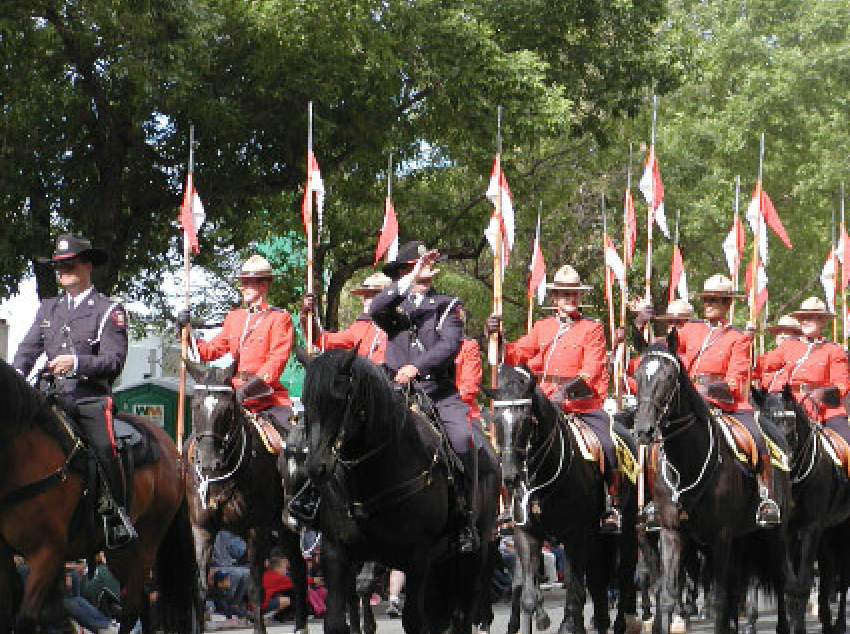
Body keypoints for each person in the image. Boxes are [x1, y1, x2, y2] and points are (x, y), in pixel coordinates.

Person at [13, 234, 135, 548]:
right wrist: (14, 380)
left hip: (89, 398)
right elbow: (27, 352)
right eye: (58, 266)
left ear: (87, 265)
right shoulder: (48, 309)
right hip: (49, 396)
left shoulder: (109, 310)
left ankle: (115, 517)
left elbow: (114, 360)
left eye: (69, 264)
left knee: (104, 446)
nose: (63, 271)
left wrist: (77, 363)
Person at [486, 264, 621, 533]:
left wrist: (565, 392)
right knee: (513, 441)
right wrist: (497, 337)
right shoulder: (542, 327)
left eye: (574, 294)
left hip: (579, 406)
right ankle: (512, 504)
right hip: (544, 405)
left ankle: (609, 502)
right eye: (564, 294)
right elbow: (515, 354)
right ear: (554, 298)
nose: (569, 299)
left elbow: (592, 368)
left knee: (607, 444)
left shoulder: (591, 329)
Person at [369, 240, 481, 553]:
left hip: (437, 392)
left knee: (462, 440)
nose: (424, 268)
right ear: (404, 271)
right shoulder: (394, 307)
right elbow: (375, 308)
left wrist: (415, 368)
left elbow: (449, 344)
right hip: (396, 394)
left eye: (426, 264)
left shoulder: (447, 304)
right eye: (415, 264)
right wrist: (409, 279)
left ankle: (464, 517)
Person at [666, 274, 779, 527]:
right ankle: (654, 500)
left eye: (716, 300)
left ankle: (764, 496)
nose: (710, 304)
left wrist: (705, 392)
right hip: (691, 405)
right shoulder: (689, 329)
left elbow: (735, 381)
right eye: (707, 299)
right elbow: (668, 351)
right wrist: (642, 330)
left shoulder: (738, 337)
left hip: (727, 406)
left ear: (728, 304)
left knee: (756, 439)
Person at [178, 255, 295, 433]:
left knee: (288, 444)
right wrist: (185, 332)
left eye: (249, 282)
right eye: (243, 282)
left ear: (263, 285)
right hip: (232, 396)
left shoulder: (279, 318)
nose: (244, 287)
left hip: (267, 399)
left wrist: (247, 389)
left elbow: (276, 362)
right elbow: (210, 351)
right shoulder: (235, 317)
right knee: (197, 442)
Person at [757, 298, 850, 445]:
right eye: (803, 318)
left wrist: (822, 394)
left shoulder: (834, 350)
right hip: (790, 406)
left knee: (846, 443)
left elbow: (842, 385)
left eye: (810, 318)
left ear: (822, 321)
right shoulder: (788, 346)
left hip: (825, 410)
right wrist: (748, 344)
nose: (805, 321)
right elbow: (761, 365)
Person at [301, 271, 391, 362]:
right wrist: (307, 316)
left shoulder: (400, 324)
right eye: (365, 296)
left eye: (373, 295)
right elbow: (324, 341)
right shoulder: (360, 327)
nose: (366, 301)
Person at [756, 315, 804, 392]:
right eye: (779, 333)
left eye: (786, 333)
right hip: (767, 397)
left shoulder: (801, 353)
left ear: (797, 336)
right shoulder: (770, 354)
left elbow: (767, 363)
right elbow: (753, 369)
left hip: (789, 398)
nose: (782, 336)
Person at [455, 305, 483, 421]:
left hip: (462, 409)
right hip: (428, 405)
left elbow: (470, 386)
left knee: (465, 438)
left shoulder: (469, 346)